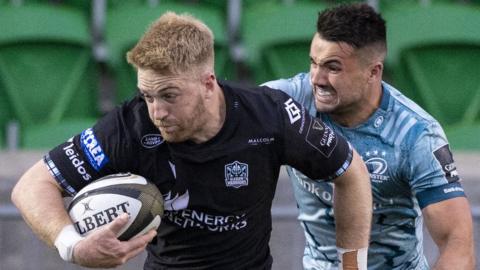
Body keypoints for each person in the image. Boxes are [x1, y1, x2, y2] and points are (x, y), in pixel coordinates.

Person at [11, 11, 373, 269]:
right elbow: (32, 184)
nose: (156, 111)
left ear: (208, 83)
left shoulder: (270, 116)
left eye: (169, 95)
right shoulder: (131, 125)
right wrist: (72, 246)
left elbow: (351, 171)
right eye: (147, 95)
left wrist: (351, 264)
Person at [263, 3, 475, 270]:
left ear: (373, 72)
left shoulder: (416, 134)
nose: (316, 78)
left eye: (333, 67)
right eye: (313, 63)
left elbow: (457, 244)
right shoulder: (290, 102)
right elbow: (224, 108)